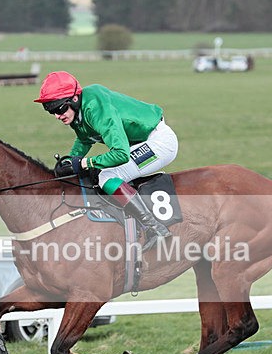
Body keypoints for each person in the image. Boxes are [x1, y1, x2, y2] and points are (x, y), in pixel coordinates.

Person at [34, 71, 178, 248]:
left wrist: (85, 163)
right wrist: (70, 160)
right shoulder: (79, 110)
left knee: (106, 176)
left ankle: (154, 228)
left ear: (74, 99)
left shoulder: (95, 108)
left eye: (60, 109)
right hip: (144, 141)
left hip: (160, 143)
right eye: (51, 111)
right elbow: (85, 138)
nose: (57, 115)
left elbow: (121, 154)